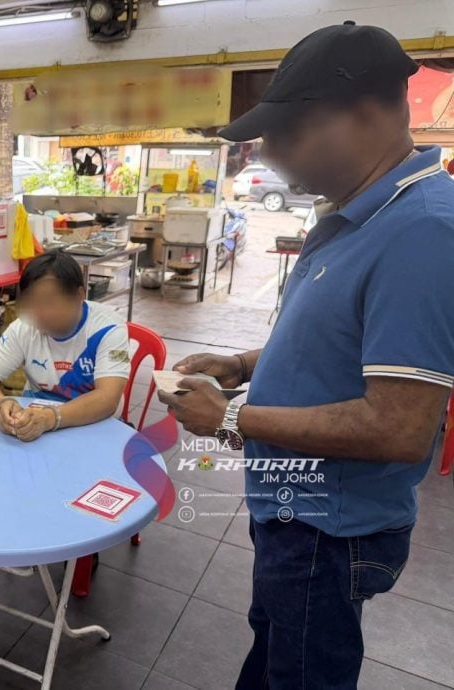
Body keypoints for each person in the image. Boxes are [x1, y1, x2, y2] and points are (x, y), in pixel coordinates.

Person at [159, 23, 454, 689]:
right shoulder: (360, 213)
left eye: (289, 133)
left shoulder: (424, 231)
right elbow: (334, 336)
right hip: (298, 510)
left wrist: (232, 419)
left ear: (369, 113)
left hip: (330, 530)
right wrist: (242, 365)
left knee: (301, 672)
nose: (271, 153)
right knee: (276, 655)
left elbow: (399, 427)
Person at [0, 250, 131, 441]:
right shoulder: (25, 327)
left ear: (79, 295)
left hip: (95, 427)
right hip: (36, 427)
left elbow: (107, 399)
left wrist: (51, 417)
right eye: (31, 302)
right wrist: (1, 403)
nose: (38, 313)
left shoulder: (109, 329)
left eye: (48, 302)